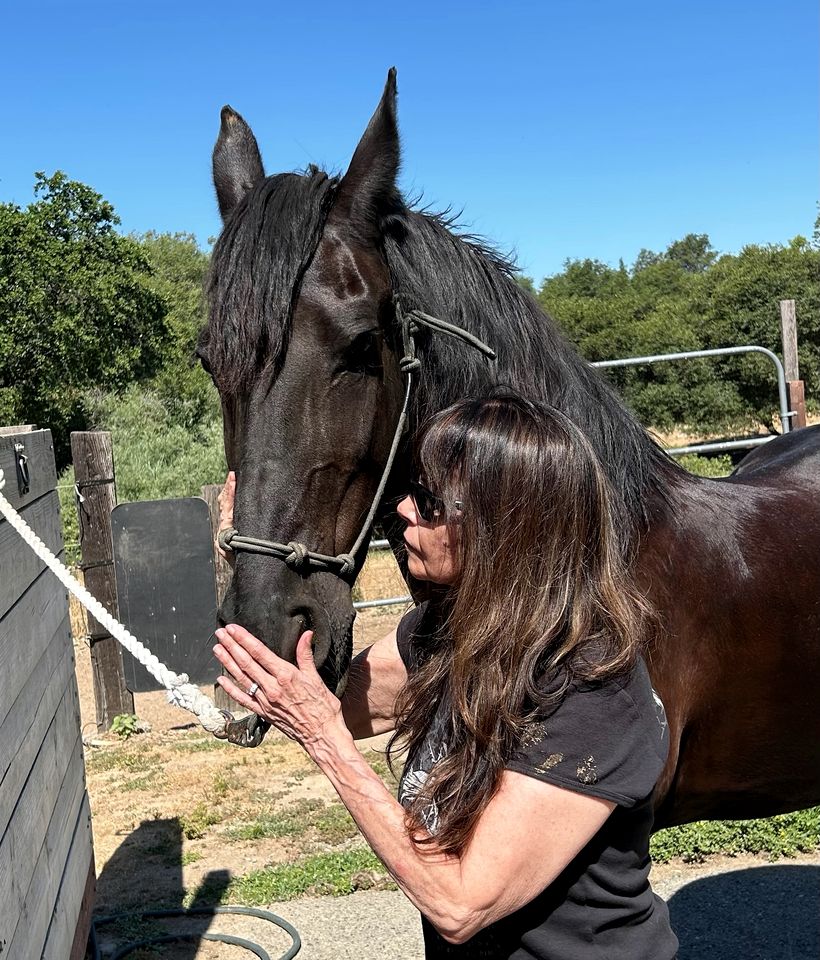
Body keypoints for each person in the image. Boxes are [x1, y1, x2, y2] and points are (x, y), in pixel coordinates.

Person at [213, 394, 679, 959]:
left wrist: (326, 741)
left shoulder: (592, 689)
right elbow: (321, 700)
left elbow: (458, 903)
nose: (404, 509)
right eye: (413, 491)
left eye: (430, 503)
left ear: (506, 526)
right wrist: (250, 570)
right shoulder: (447, 628)